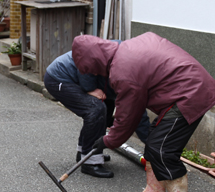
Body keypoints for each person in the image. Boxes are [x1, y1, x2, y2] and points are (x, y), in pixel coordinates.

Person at [72, 32, 215, 192]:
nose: (95, 74)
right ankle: (155, 191)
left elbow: (128, 115)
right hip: (184, 89)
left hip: (190, 93)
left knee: (162, 147)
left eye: (92, 70)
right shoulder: (126, 49)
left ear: (95, 61)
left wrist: (108, 140)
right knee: (153, 139)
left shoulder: (123, 71)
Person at [44, 49, 150, 179]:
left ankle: (85, 153)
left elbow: (137, 112)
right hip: (60, 77)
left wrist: (151, 144)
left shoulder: (133, 72)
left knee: (106, 107)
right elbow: (87, 58)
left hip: (79, 76)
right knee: (96, 109)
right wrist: (89, 88)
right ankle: (90, 161)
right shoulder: (124, 67)